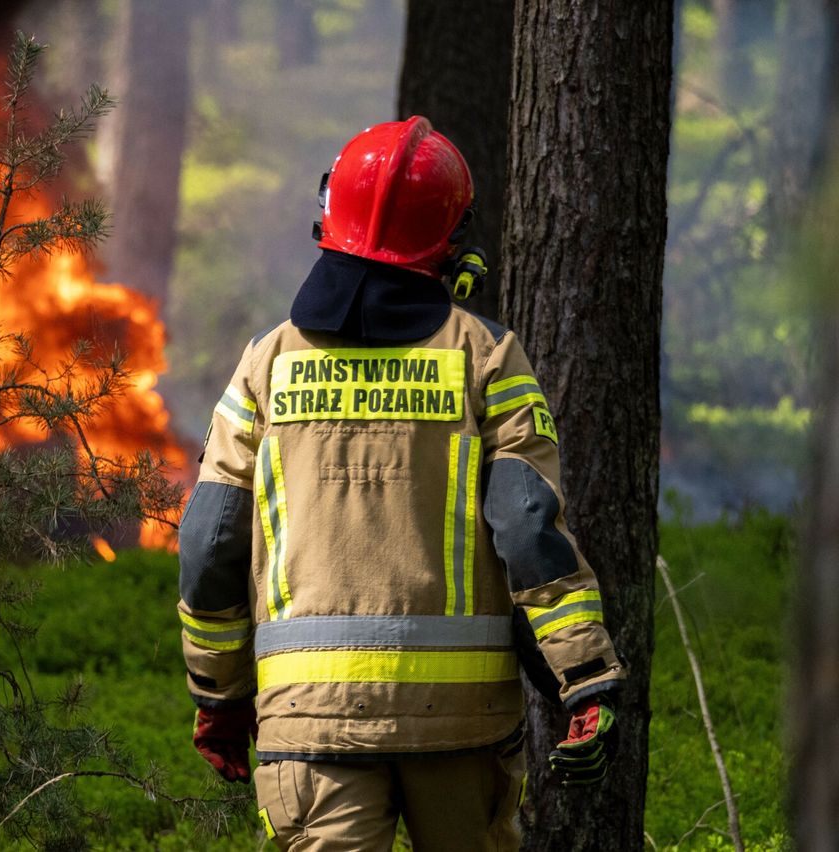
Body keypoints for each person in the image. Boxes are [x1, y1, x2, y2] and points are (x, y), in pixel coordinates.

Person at [176, 116, 626, 851]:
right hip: (462, 723)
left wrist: (219, 696)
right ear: (451, 238)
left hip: (308, 723)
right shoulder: (486, 357)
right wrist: (585, 677)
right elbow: (525, 527)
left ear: (330, 215)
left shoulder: (265, 364)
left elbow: (209, 539)